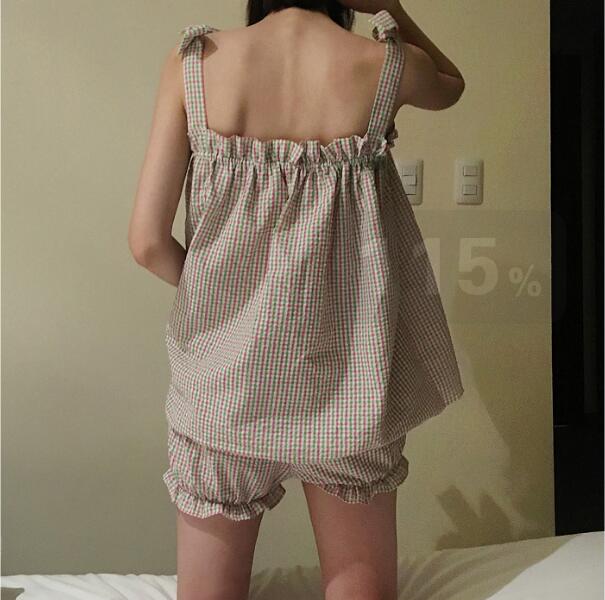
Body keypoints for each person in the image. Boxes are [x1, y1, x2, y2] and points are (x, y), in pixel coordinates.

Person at [129, 1, 465, 598]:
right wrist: (389, 6)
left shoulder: (194, 63)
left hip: (225, 390)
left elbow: (147, 242)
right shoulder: (384, 64)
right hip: (347, 389)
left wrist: (230, 304)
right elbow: (451, 86)